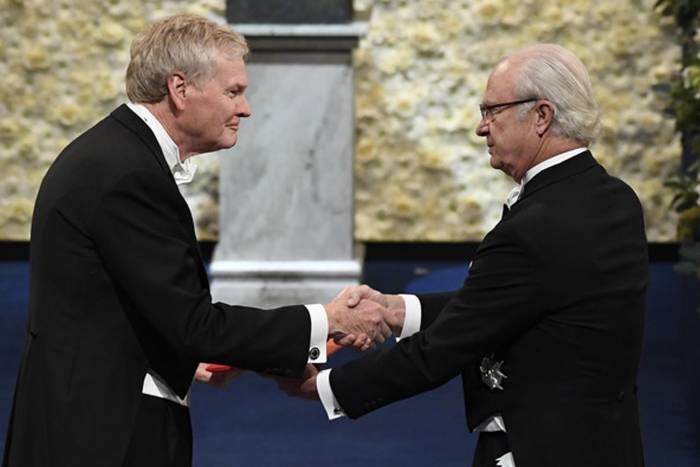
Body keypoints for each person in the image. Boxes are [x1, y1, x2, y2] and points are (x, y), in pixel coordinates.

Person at [2, 14, 390, 467]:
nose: (245, 108)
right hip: (102, 434)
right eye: (233, 91)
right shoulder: (128, 175)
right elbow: (194, 325)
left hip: (83, 417)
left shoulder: (116, 155)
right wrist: (327, 321)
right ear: (179, 89)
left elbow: (124, 304)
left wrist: (190, 356)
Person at [301, 44, 648, 467]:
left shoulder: (536, 225)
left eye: (491, 111)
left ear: (541, 116)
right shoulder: (615, 199)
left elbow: (446, 347)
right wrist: (398, 311)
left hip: (536, 449)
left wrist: (327, 386)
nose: (481, 128)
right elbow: (513, 300)